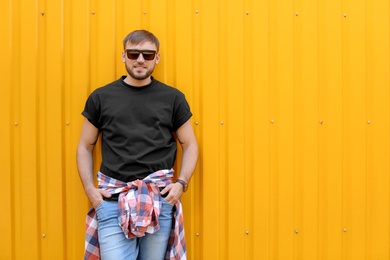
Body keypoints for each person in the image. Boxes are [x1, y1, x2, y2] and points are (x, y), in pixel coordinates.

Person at [76, 29, 198, 260]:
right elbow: (85, 146)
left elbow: (190, 144)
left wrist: (181, 184)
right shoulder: (101, 97)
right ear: (124, 56)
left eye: (147, 54)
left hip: (159, 200)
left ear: (157, 58)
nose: (140, 59)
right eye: (133, 54)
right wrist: (90, 190)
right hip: (113, 200)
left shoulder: (173, 98)